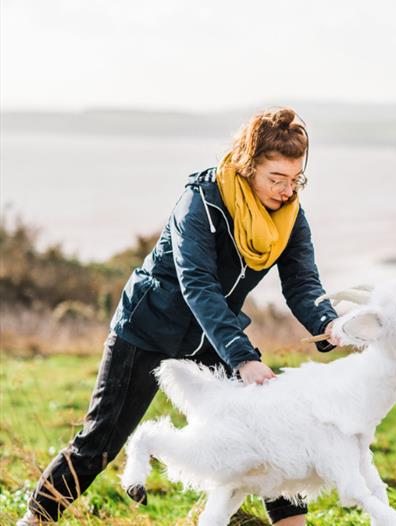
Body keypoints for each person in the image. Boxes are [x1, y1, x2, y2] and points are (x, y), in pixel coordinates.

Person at [19, 107, 340, 526]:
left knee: (272, 424)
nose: (286, 191)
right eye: (275, 179)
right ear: (247, 167)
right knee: (101, 440)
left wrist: (328, 322)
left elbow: (302, 282)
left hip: (211, 334)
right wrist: (244, 358)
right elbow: (198, 286)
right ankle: (35, 520)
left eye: (295, 179)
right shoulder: (201, 202)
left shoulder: (289, 217)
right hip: (147, 328)